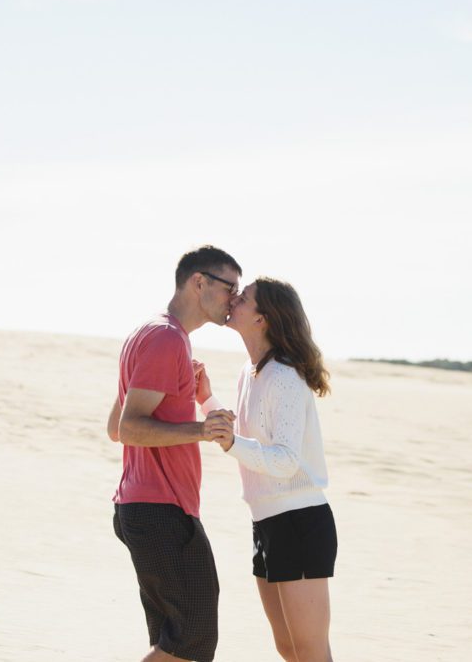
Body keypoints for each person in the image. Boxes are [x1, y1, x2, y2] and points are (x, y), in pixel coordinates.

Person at [107, 245, 240, 662]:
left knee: (174, 642)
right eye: (229, 287)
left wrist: (194, 395)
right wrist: (201, 429)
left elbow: (115, 427)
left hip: (148, 508)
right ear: (198, 282)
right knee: (192, 639)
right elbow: (129, 428)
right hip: (159, 509)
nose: (234, 299)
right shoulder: (166, 339)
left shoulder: (156, 334)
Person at [211, 277, 337, 662]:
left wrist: (230, 443)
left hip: (299, 521)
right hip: (266, 522)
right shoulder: (249, 373)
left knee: (310, 651)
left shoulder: (283, 377)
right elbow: (244, 437)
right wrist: (206, 399)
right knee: (288, 648)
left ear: (262, 318)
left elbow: (283, 461)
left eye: (243, 297)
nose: (233, 299)